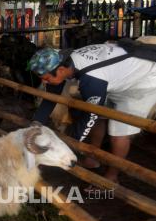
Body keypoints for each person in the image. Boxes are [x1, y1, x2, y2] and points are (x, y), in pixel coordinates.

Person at [27, 45, 156, 183]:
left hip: (142, 82)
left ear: (61, 70)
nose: (44, 82)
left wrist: (66, 147)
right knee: (98, 117)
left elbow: (89, 117)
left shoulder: (91, 80)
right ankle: (92, 158)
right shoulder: (62, 60)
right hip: (117, 76)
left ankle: (111, 177)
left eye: (46, 78)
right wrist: (35, 124)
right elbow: (51, 97)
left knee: (118, 132)